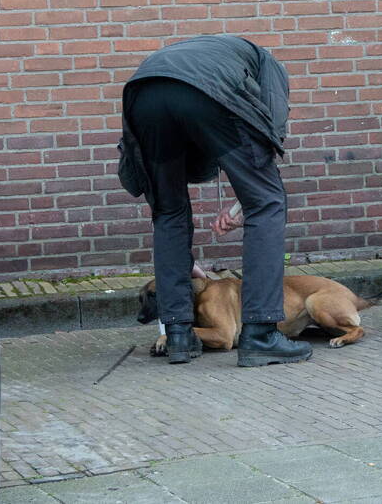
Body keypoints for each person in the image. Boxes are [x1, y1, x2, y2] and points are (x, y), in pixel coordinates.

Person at [117, 34, 312, 367]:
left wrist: (180, 261)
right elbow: (271, 130)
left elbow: (154, 191)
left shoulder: (201, 54)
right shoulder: (269, 65)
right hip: (203, 92)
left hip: (142, 93)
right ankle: (261, 334)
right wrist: (245, 203)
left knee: (168, 213)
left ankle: (179, 335)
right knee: (268, 203)